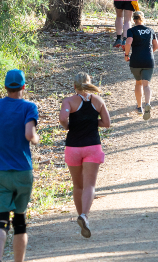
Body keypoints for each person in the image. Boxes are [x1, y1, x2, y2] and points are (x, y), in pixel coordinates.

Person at [0, 69, 39, 262]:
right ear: (23, 86)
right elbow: (29, 134)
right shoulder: (29, 107)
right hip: (22, 171)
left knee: (1, 220)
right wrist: (35, 138)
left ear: (5, 87)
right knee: (19, 220)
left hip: (0, 172)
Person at [59, 72, 111, 238]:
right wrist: (90, 122)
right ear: (89, 84)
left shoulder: (68, 101)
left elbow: (62, 119)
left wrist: (71, 124)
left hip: (73, 148)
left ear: (74, 86)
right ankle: (84, 216)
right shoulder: (98, 101)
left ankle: (80, 214)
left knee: (78, 186)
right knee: (89, 185)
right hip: (92, 147)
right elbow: (107, 123)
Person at [124, 11, 158, 120]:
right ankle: (147, 103)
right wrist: (150, 53)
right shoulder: (150, 30)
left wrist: (126, 54)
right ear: (142, 19)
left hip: (136, 60)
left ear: (133, 20)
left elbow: (129, 42)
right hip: (149, 60)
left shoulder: (131, 30)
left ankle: (139, 107)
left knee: (138, 83)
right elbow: (156, 45)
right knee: (146, 85)